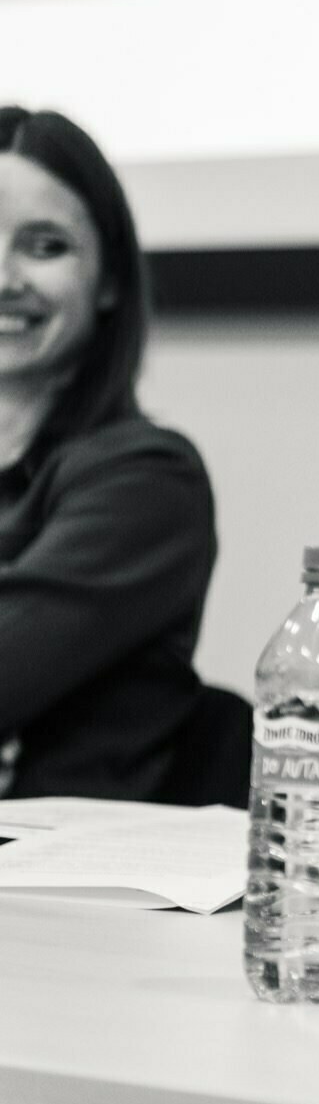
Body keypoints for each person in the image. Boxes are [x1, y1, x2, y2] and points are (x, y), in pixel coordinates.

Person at [0, 107, 217, 800]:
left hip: (53, 892)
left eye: (43, 245)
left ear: (111, 282)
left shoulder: (147, 480)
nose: (4, 277)